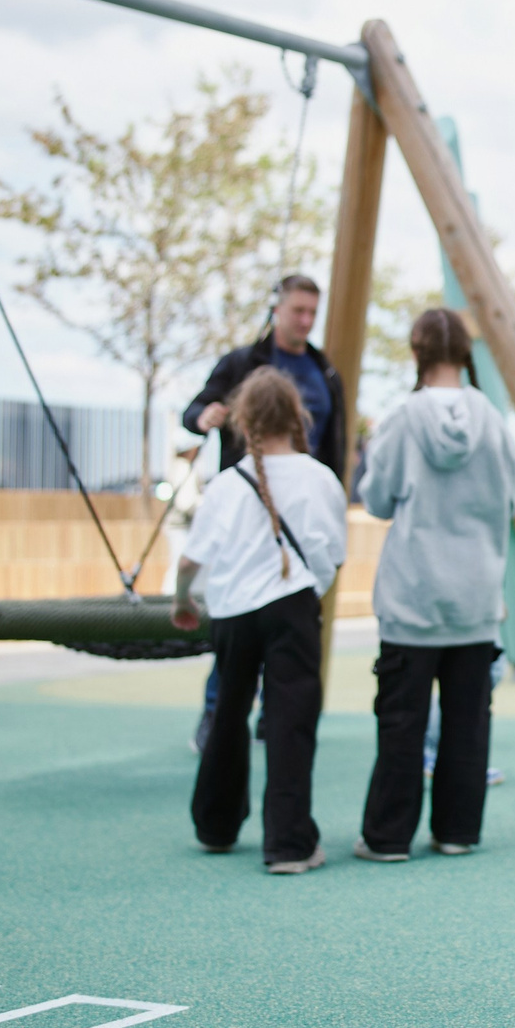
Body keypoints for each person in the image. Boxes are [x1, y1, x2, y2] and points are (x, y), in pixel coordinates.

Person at [354, 309, 515, 862]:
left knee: (401, 720)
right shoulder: (492, 420)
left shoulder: (401, 418)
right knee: (468, 722)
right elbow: (511, 501)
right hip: (476, 592)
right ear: (464, 352)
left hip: (413, 593)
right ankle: (457, 831)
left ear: (416, 352)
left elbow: (376, 499)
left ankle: (387, 836)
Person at [174, 367, 348, 873]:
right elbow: (332, 556)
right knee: (291, 725)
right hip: (292, 608)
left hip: (232, 612)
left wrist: (183, 602)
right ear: (298, 417)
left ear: (243, 419)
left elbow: (190, 561)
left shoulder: (228, 484)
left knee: (227, 715)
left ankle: (216, 825)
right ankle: (288, 845)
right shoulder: (320, 479)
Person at [181, 275, 349, 754]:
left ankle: (275, 721)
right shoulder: (243, 364)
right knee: (240, 617)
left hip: (300, 512)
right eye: (297, 310)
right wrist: (204, 417)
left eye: (311, 313)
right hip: (252, 508)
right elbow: (193, 410)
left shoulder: (324, 371)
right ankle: (218, 718)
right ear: (277, 308)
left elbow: (333, 443)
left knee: (283, 632)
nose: (305, 321)